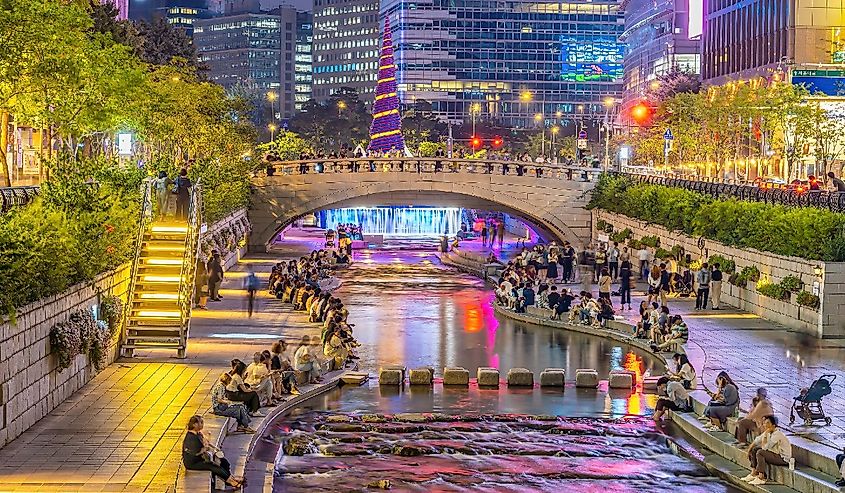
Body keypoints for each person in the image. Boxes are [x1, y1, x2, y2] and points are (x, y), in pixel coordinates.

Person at [182, 415, 244, 489]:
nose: (202, 424)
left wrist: (214, 447)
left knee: (224, 462)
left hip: (199, 459)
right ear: (194, 424)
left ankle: (231, 478)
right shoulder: (191, 438)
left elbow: (205, 443)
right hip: (193, 463)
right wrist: (205, 448)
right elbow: (197, 452)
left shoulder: (198, 434)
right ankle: (231, 482)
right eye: (201, 422)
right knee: (213, 466)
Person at [742, 416, 792, 485]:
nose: (765, 425)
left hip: (782, 458)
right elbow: (757, 440)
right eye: (765, 423)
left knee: (760, 452)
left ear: (773, 425)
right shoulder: (768, 432)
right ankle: (754, 473)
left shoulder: (777, 434)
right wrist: (749, 449)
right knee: (754, 449)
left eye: (768, 423)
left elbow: (765, 447)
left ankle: (761, 477)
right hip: (774, 454)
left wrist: (765, 436)